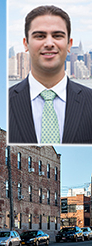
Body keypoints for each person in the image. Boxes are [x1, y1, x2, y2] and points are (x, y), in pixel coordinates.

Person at [9, 5, 92, 144]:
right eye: (40, 36)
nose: (49, 43)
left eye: (57, 36)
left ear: (69, 44)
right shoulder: (6, 100)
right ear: (26, 43)